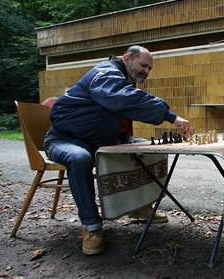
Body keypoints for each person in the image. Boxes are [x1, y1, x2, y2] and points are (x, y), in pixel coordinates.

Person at [44, 45, 192, 256]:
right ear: (126, 58)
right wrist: (171, 116)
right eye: (143, 65)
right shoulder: (105, 74)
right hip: (65, 140)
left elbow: (128, 104)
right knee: (79, 158)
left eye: (149, 68)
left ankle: (138, 205)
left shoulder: (121, 80)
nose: (146, 72)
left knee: (149, 147)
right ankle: (91, 227)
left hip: (99, 141)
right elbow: (126, 97)